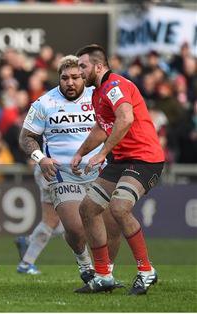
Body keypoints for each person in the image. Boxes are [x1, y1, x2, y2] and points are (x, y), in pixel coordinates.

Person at [17, 55, 122, 285]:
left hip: (98, 170)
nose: (70, 82)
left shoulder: (98, 98)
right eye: (65, 78)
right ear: (59, 79)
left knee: (113, 226)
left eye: (75, 77)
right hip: (62, 172)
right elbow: (26, 138)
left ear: (84, 77)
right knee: (75, 228)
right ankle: (85, 264)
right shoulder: (44, 103)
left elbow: (117, 125)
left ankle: (105, 274)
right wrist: (40, 158)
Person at [72, 44, 164, 295]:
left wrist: (101, 154)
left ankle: (146, 271)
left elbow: (125, 118)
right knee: (88, 208)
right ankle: (103, 276)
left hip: (145, 159)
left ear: (99, 66)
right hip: (122, 160)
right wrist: (81, 152)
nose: (79, 72)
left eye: (83, 66)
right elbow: (103, 128)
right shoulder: (97, 93)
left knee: (119, 208)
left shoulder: (114, 86)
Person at [14, 165, 64, 275]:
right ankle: (89, 268)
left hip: (57, 168)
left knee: (57, 222)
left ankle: (29, 244)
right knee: (62, 220)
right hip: (57, 169)